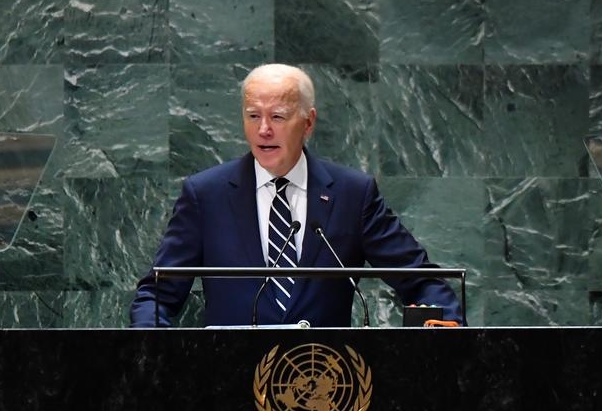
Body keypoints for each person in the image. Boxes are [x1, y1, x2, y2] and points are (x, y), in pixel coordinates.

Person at [129, 63, 460, 328]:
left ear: (308, 122)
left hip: (326, 391)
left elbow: (420, 279)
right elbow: (156, 294)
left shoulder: (352, 195)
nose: (263, 130)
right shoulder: (206, 195)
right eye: (253, 115)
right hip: (228, 386)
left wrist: (447, 322)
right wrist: (151, 348)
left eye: (277, 117)